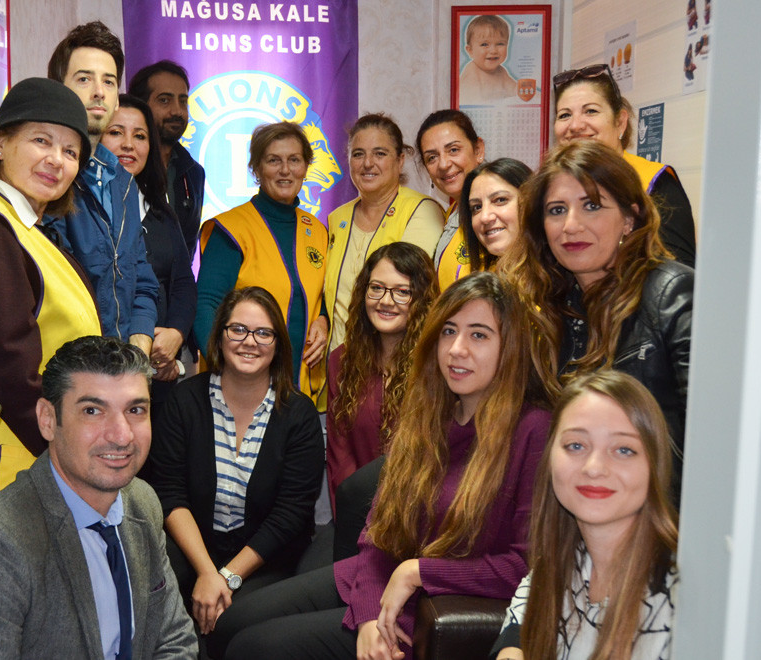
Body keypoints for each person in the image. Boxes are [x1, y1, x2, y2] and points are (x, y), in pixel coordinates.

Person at [208, 272, 552, 660]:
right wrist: (369, 616)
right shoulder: (429, 416)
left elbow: (525, 567)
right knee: (230, 623)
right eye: (448, 331)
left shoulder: (533, 429)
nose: (456, 349)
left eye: (479, 335)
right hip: (376, 580)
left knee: (251, 649)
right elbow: (377, 532)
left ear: (511, 347)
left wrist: (418, 572)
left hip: (421, 611)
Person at [0, 336, 197, 659]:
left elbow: (175, 638)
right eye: (92, 410)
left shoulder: (142, 501)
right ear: (47, 420)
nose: (122, 435)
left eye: (135, 410)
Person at [504, 139, 692, 494]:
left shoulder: (671, 292)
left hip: (656, 518)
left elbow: (707, 438)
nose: (570, 225)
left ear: (629, 217)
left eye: (591, 206)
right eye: (556, 210)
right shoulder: (547, 307)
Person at [0, 77, 101, 504]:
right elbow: (7, 366)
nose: (56, 160)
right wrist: (70, 457)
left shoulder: (23, 226)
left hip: (45, 456)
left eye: (71, 151)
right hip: (21, 463)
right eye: (42, 141)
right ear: (0, 143)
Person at [150, 287, 324, 636]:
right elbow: (169, 493)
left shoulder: (300, 415)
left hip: (266, 561)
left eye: (263, 333)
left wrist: (227, 578)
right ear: (220, 335)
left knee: (233, 623)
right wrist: (206, 573)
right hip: (193, 550)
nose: (250, 341)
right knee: (157, 602)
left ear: (278, 343)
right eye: (238, 329)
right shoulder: (185, 401)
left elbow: (291, 514)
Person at [490, 370, 679, 660]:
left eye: (624, 450)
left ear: (654, 465)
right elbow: (516, 627)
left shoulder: (679, 594)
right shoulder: (563, 562)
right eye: (575, 445)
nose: (594, 467)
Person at [195, 121, 329, 404]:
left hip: (301, 394)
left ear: (306, 167)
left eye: (294, 160)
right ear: (256, 169)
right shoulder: (231, 229)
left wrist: (324, 321)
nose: (285, 170)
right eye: (273, 160)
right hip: (239, 392)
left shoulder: (317, 230)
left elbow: (321, 297)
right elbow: (206, 306)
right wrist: (229, 373)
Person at [45, 22, 158, 357]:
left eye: (109, 81)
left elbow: (143, 282)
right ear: (58, 89)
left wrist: (137, 350)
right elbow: (53, 295)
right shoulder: (48, 179)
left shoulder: (122, 181)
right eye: (84, 79)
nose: (99, 91)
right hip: (65, 373)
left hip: (119, 370)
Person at [99, 93, 196, 411]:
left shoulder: (159, 208)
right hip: (103, 371)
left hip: (160, 373)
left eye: (139, 136)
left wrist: (176, 334)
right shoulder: (80, 207)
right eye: (116, 132)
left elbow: (183, 282)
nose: (128, 144)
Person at [552, 63, 697, 268]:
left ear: (620, 122)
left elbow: (680, 276)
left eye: (591, 111)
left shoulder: (653, 183)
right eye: (564, 115)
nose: (575, 125)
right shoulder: (553, 188)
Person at [326, 242, 438, 505]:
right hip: (358, 517)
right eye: (376, 288)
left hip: (422, 515)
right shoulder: (341, 360)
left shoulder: (439, 364)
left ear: (422, 298)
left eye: (402, 292)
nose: (386, 301)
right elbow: (340, 456)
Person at [325, 114, 444, 351]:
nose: (368, 163)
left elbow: (412, 298)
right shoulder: (337, 218)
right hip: (335, 368)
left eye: (380, 153)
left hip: (392, 365)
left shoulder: (422, 212)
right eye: (358, 154)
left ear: (400, 161)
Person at [130, 60, 206, 258]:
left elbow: (186, 253)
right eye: (164, 100)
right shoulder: (123, 166)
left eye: (183, 101)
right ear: (140, 106)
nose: (177, 111)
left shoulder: (193, 173)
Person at [414, 109, 487, 289]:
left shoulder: (498, 211)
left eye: (453, 150)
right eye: (432, 158)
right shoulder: (451, 215)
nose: (444, 164)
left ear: (478, 150)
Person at [460, 158, 534, 273]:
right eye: (477, 207)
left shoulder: (559, 282)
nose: (485, 217)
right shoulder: (486, 281)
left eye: (500, 200)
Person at [458, 15, 519, 105]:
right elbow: (470, 102)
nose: (493, 51)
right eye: (484, 44)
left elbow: (515, 89)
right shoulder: (472, 73)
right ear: (470, 50)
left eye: (500, 44)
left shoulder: (501, 71)